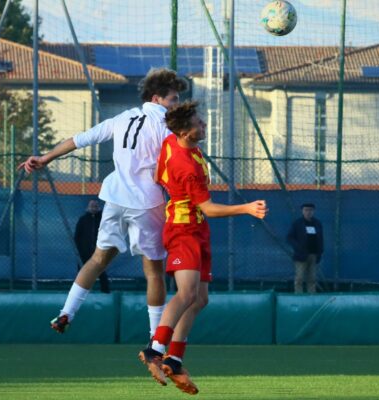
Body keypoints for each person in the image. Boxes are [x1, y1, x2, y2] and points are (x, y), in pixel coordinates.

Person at [18, 68, 188, 338]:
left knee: (97, 259)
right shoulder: (166, 126)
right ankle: (157, 339)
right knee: (154, 272)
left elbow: (79, 139)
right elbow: (173, 165)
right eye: (173, 99)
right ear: (157, 99)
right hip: (147, 202)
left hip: (115, 198)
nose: (177, 104)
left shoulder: (122, 118)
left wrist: (46, 157)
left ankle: (66, 313)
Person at [138, 101, 268, 394]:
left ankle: (174, 358)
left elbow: (162, 172)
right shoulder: (185, 166)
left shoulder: (173, 141)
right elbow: (208, 208)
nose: (204, 126)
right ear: (185, 132)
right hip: (184, 230)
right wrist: (246, 207)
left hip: (196, 231)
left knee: (199, 300)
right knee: (185, 294)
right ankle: (155, 349)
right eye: (199, 123)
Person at [74, 199, 110, 293]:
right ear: (88, 208)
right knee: (82, 273)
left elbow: (107, 233)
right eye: (92, 206)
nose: (93, 208)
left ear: (98, 207)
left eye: (95, 206)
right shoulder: (83, 219)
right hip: (84, 252)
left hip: (98, 251)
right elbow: (77, 236)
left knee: (101, 271)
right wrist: (80, 249)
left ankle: (105, 291)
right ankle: (80, 292)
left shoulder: (102, 219)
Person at [287, 203, 323, 293]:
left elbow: (321, 238)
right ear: (302, 211)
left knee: (312, 278)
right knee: (299, 278)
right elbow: (290, 237)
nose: (308, 212)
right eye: (306, 210)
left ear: (313, 211)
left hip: (314, 254)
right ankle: (299, 297)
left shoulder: (317, 223)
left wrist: (320, 251)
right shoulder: (297, 223)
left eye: (310, 210)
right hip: (301, 256)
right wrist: (298, 248)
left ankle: (311, 296)